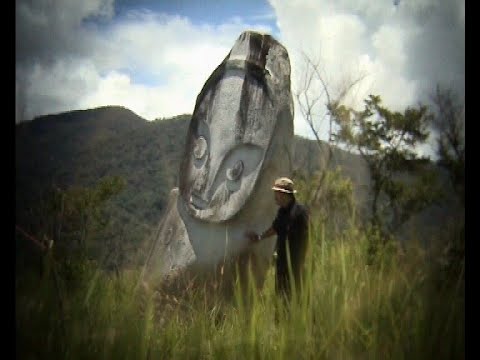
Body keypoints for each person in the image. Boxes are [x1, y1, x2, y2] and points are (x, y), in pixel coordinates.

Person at [245, 177, 309, 299]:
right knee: (281, 297)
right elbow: (275, 228)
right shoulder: (282, 212)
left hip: (295, 265)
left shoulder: (300, 213)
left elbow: (306, 238)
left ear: (284, 194)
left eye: (277, 193)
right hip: (282, 264)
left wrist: (301, 261)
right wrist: (259, 237)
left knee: (296, 297)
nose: (275, 196)